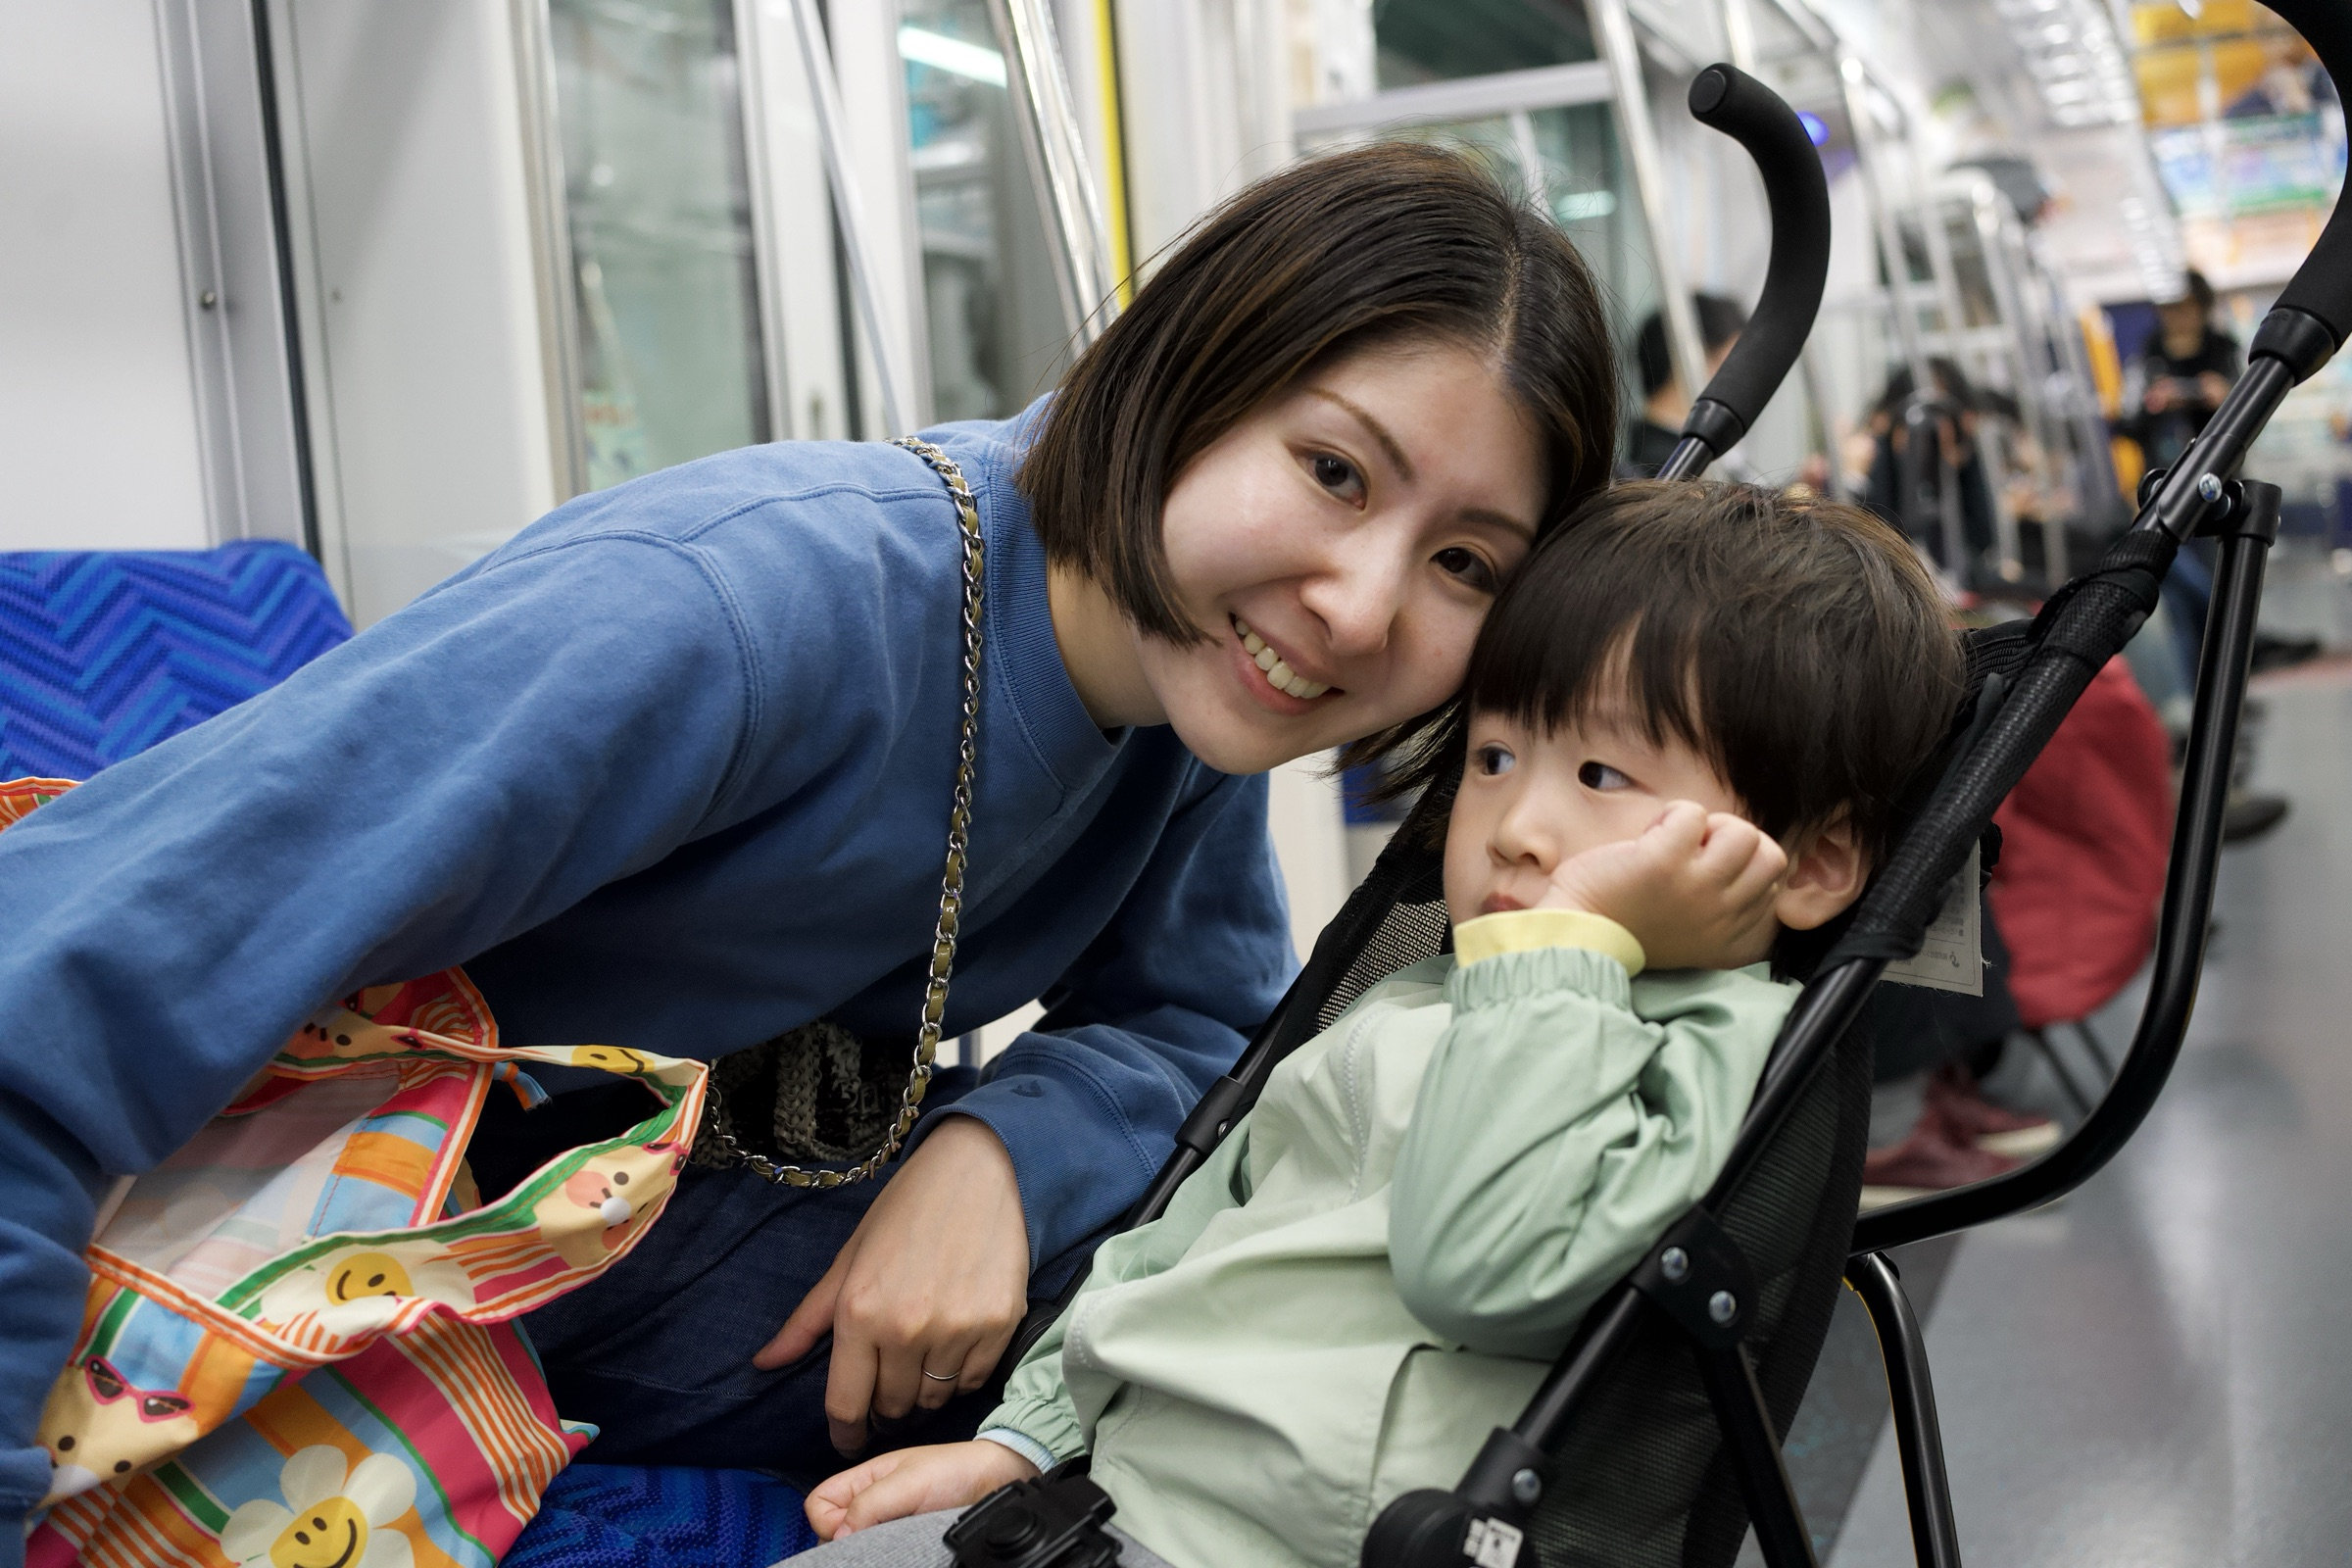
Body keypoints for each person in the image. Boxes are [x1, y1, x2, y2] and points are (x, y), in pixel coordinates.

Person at [0, 143, 1631, 1540]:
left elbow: (1196, 1021)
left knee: (1327, 1296)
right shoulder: (729, 612)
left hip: (615, 1226)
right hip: (258, 1223)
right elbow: (41, 1004)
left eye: (1467, 564)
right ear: (1185, 380)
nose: (1357, 609)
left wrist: (994, 1157)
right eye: (1334, 470)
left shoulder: (1192, 677)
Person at [792, 480, 1966, 1568]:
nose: (1513, 825)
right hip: (1105, 1501)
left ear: (1808, 863)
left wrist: (1563, 950)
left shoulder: (1714, 1060)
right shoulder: (1420, 991)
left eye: (1603, 776)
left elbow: (1484, 1266)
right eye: (1496, 757)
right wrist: (1030, 1438)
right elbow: (1185, 1238)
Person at [1621, 294, 1748, 477]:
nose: (1740, 384)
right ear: (1690, 364)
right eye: (1730, 365)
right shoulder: (1671, 470)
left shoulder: (1690, 454)